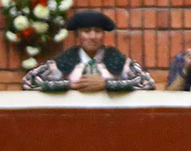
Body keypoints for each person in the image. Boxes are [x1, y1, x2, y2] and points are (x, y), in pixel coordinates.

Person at [22, 11, 155, 92]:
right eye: (86, 31)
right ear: (77, 35)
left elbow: (147, 83)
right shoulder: (63, 61)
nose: (92, 37)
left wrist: (107, 84)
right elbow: (29, 82)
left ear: (103, 34)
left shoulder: (119, 60)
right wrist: (68, 85)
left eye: (97, 31)